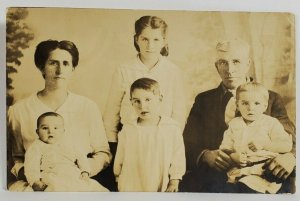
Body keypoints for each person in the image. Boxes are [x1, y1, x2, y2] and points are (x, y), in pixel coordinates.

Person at [181, 38, 295, 193]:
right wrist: (205, 155)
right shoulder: (204, 100)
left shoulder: (271, 98)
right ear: (217, 66)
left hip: (261, 176)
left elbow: (290, 137)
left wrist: (290, 157)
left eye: (236, 62)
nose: (229, 69)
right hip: (215, 181)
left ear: (247, 64)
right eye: (223, 62)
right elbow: (186, 142)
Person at [7, 40, 112, 191]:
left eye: (66, 63)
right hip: (37, 185)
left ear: (73, 68)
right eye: (53, 63)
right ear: (41, 67)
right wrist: (35, 177)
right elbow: (15, 158)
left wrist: (81, 171)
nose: (60, 70)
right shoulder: (19, 110)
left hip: (78, 182)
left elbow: (103, 153)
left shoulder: (87, 107)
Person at [113, 78, 186, 192]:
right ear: (131, 102)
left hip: (158, 183)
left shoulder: (171, 128)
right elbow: (120, 159)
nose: (143, 106)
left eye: (148, 99)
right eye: (137, 101)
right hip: (131, 184)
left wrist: (174, 182)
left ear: (159, 99)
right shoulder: (128, 129)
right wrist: (118, 178)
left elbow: (177, 158)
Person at [219, 82, 292, 193]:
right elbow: (225, 148)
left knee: (249, 188)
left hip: (266, 168)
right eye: (245, 103)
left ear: (265, 106)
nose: (250, 108)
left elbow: (286, 146)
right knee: (230, 189)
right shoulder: (234, 124)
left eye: (257, 103)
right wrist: (234, 156)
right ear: (237, 105)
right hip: (241, 170)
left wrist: (264, 144)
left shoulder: (270, 123)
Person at [24, 112, 109, 192]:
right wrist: (35, 180)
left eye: (56, 128)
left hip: (71, 173)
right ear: (37, 131)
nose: (51, 131)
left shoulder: (70, 143)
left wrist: (85, 171)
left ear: (63, 131)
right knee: (55, 189)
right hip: (50, 175)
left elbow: (81, 157)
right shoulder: (36, 147)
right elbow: (31, 165)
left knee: (90, 189)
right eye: (45, 128)